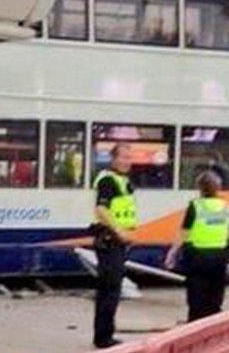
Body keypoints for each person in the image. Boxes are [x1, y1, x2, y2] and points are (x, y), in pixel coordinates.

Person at [164, 169, 229, 322]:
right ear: (218, 188)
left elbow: (184, 232)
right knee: (215, 294)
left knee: (196, 295)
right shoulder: (227, 206)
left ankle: (195, 323)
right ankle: (212, 323)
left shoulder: (195, 206)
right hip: (219, 257)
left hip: (197, 257)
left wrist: (172, 252)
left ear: (200, 188)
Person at [91, 142, 138, 349]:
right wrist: (119, 231)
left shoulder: (122, 180)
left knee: (112, 290)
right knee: (109, 291)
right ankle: (103, 337)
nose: (128, 161)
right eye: (124, 157)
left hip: (118, 242)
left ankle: (105, 334)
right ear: (114, 158)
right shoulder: (108, 180)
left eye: (130, 157)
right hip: (110, 240)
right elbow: (101, 209)